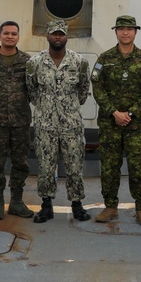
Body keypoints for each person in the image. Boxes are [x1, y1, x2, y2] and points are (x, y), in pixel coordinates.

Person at [91, 15, 141, 226]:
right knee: (110, 166)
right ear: (116, 32)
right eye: (121, 29)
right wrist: (114, 112)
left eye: (129, 29)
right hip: (110, 123)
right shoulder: (105, 58)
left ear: (135, 32)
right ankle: (110, 206)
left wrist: (131, 113)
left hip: (136, 124)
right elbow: (97, 87)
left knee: (138, 167)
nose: (125, 33)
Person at [26, 20, 92, 223]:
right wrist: (45, 109)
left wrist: (68, 108)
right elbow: (32, 91)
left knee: (74, 166)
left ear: (66, 37)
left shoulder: (79, 62)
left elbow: (83, 90)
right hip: (45, 125)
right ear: (47, 36)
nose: (57, 37)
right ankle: (46, 206)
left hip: (71, 124)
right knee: (46, 167)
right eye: (54, 34)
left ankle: (77, 205)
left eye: (61, 34)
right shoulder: (35, 63)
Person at [0, 20, 33, 219]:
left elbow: (33, 90)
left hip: (21, 121)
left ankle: (17, 202)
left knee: (20, 163)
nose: (10, 36)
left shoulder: (27, 61)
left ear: (18, 37)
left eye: (13, 33)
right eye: (6, 33)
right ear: (0, 36)